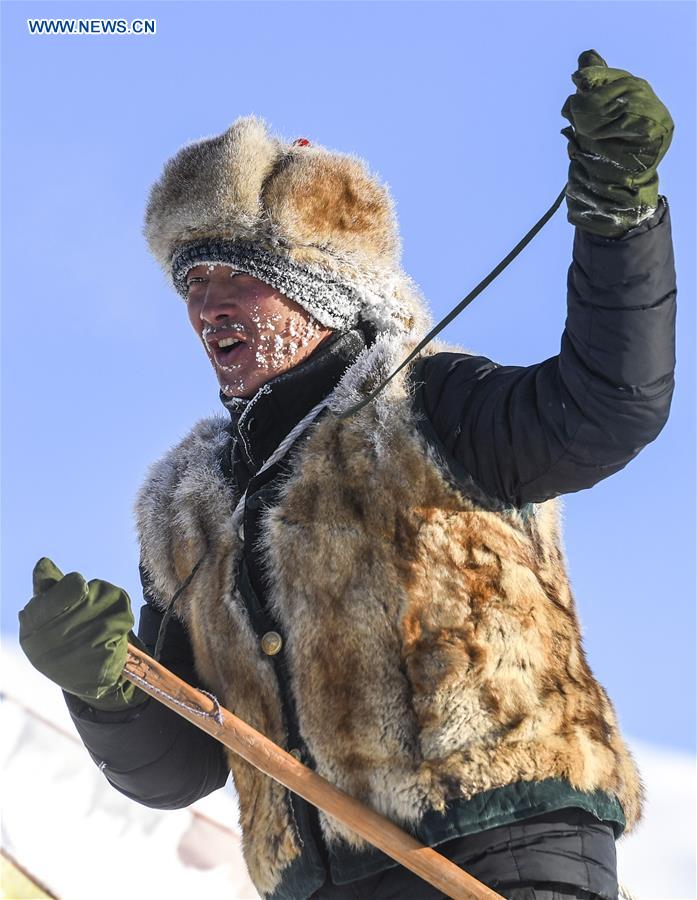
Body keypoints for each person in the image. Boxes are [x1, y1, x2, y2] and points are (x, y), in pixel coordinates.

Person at [19, 50, 676, 900]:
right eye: (192, 281)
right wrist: (105, 689)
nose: (206, 304)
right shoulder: (184, 508)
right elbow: (178, 770)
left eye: (237, 276)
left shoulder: (430, 405)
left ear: (319, 288)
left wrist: (617, 221)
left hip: (502, 858)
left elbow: (608, 405)